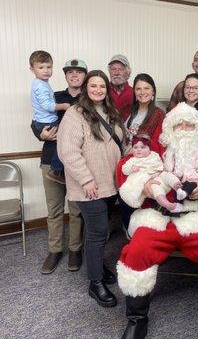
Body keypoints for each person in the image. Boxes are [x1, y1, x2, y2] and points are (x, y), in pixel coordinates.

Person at [116, 102, 198, 339]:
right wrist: (144, 184)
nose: (184, 129)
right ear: (169, 128)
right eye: (179, 124)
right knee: (136, 251)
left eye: (190, 124)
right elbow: (123, 166)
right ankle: (137, 320)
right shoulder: (155, 148)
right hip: (157, 218)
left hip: (197, 219)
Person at [57, 70, 127, 308]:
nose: (98, 90)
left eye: (102, 86)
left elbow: (121, 143)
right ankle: (95, 283)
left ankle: (98, 266)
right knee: (97, 232)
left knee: (99, 231)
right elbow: (67, 151)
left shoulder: (110, 113)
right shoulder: (75, 114)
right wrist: (86, 180)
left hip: (109, 185)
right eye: (93, 85)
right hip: (89, 186)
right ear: (86, 88)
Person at [31, 57, 88, 274]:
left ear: (84, 75)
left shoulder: (90, 98)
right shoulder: (53, 97)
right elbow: (35, 120)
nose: (74, 75)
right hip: (50, 159)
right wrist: (40, 133)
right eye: (70, 72)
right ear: (65, 75)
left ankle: (75, 249)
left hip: (77, 163)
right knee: (54, 210)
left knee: (76, 210)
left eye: (79, 72)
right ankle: (54, 251)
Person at [120, 73, 165, 231]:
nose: (142, 91)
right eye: (138, 88)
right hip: (124, 162)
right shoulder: (126, 111)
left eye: (146, 88)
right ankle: (128, 232)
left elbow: (158, 143)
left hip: (144, 165)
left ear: (153, 92)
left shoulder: (159, 114)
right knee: (125, 199)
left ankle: (140, 235)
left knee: (141, 200)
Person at [29, 50, 70, 184]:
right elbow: (47, 106)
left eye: (49, 67)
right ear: (32, 69)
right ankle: (55, 170)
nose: (46, 71)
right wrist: (63, 106)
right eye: (41, 67)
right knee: (64, 141)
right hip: (46, 122)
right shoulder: (40, 85)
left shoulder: (41, 83)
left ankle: (56, 169)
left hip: (46, 120)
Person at [119, 135, 182, 211]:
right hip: (148, 181)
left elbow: (160, 166)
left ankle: (178, 189)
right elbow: (124, 169)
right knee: (156, 188)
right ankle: (167, 204)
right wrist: (131, 168)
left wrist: (158, 173)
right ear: (132, 149)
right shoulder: (133, 160)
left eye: (142, 147)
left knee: (168, 175)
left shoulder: (154, 156)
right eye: (135, 147)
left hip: (159, 175)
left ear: (149, 149)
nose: (138, 150)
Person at [108, 54, 134, 121]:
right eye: (113, 69)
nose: (116, 73)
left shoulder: (135, 93)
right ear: (109, 71)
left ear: (128, 72)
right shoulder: (102, 92)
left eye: (121, 69)